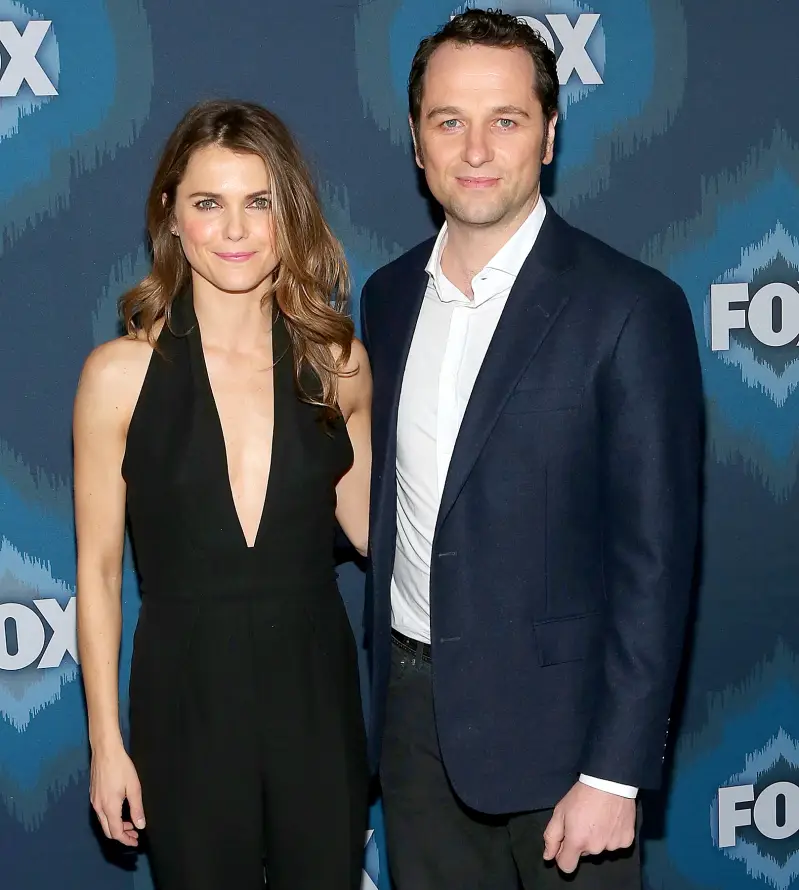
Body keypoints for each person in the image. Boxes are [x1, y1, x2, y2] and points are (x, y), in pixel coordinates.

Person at [360, 9, 703, 890]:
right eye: (448, 121)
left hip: (564, 746)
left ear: (548, 136)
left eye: (505, 120)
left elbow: (654, 562)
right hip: (413, 727)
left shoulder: (629, 307)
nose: (475, 148)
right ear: (415, 141)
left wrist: (612, 772)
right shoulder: (389, 296)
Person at [74, 99, 372, 890]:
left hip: (315, 698)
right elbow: (99, 574)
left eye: (259, 201)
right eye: (209, 203)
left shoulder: (339, 363)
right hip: (185, 705)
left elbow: (380, 530)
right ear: (171, 216)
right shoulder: (118, 377)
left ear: (290, 214)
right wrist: (107, 743)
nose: (235, 230)